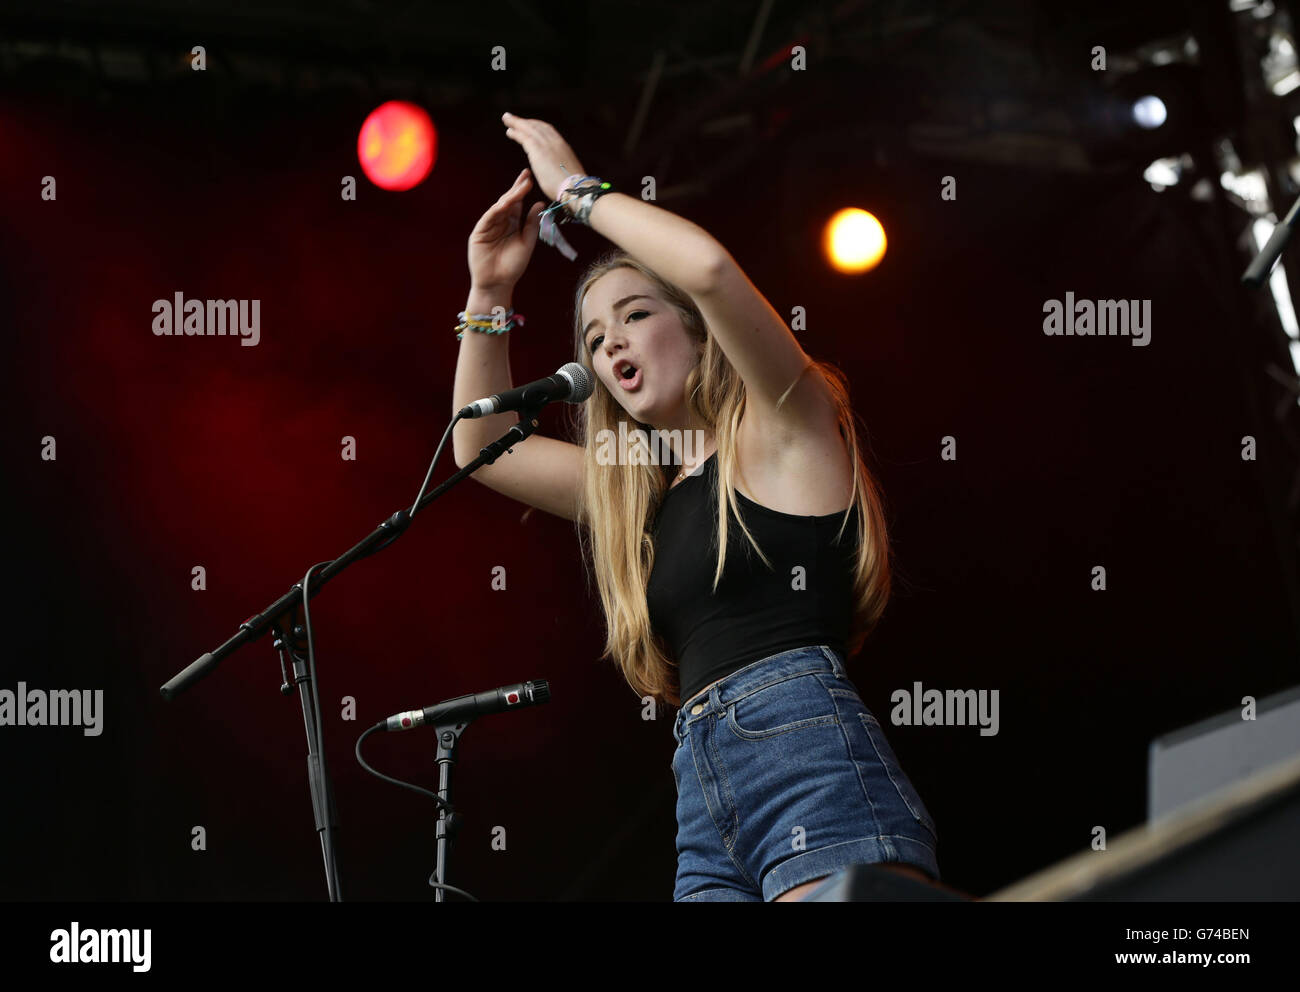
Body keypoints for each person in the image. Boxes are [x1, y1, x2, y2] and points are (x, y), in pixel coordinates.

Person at [451, 112, 944, 902]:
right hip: (701, 789)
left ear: (697, 331)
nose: (611, 345)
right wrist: (490, 288)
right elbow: (481, 448)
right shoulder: (638, 487)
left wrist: (578, 192)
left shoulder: (787, 422)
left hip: (808, 755)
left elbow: (712, 270)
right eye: (594, 338)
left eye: (636, 314)